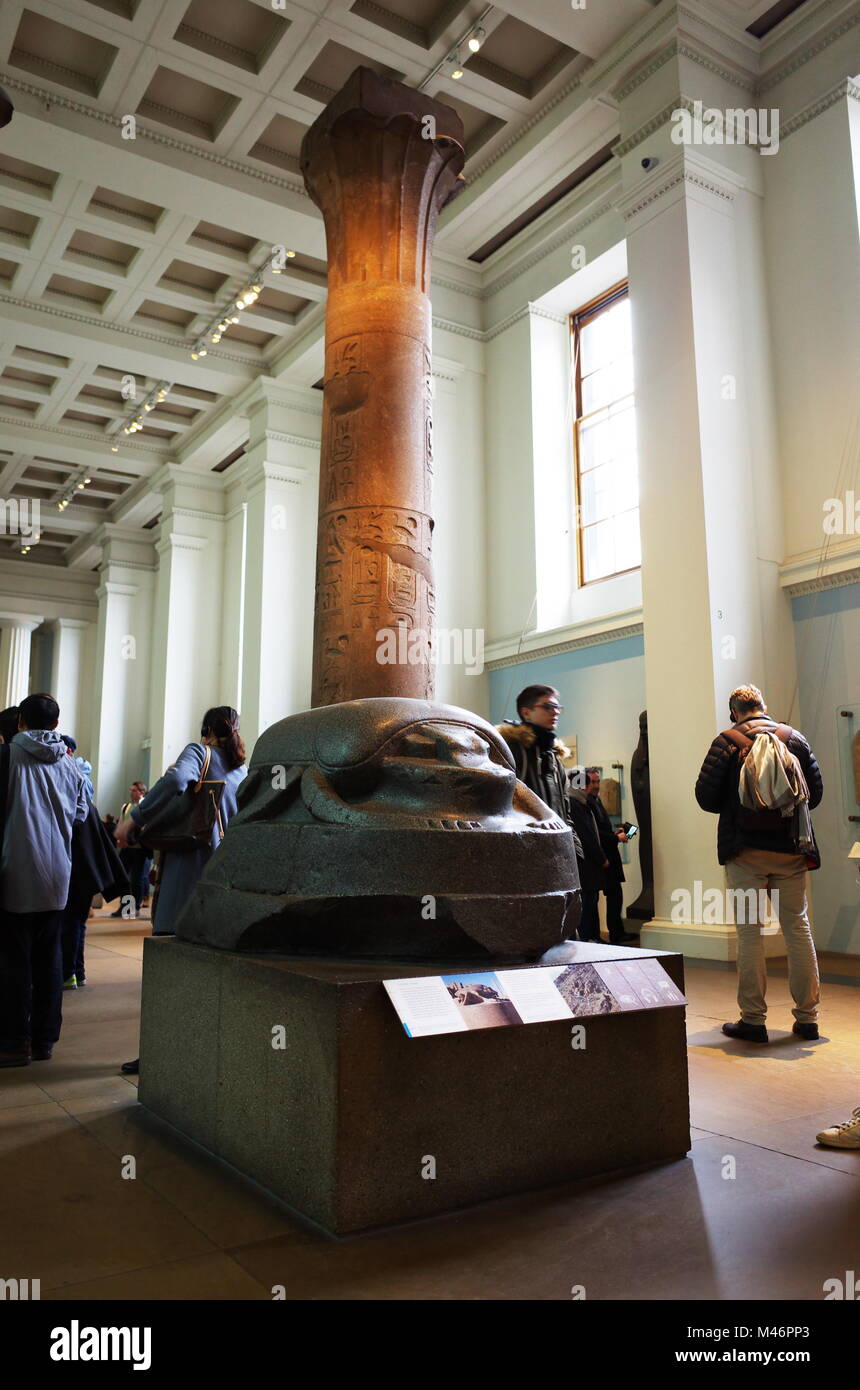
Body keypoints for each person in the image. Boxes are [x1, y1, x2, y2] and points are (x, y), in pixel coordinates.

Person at [115, 706, 247, 1075]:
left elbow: (175, 782)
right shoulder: (242, 768)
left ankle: (160, 1049)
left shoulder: (198, 752)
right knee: (207, 969)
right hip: (223, 877)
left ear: (206, 730)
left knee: (169, 963)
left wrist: (134, 818)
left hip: (188, 867)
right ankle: (200, 1052)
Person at [695, 683, 823, 1045]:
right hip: (791, 850)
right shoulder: (793, 738)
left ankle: (753, 1020)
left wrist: (741, 801)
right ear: (764, 707)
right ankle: (808, 1018)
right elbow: (815, 792)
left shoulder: (727, 741)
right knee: (798, 928)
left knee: (750, 933)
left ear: (734, 712)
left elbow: (705, 796)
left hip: (745, 852)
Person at [0, 693, 89, 1066]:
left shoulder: (7, 757)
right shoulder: (71, 766)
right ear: (55, 725)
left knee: (13, 961)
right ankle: (44, 1040)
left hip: (15, 870)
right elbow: (81, 815)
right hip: (57, 874)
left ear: (20, 721)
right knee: (50, 959)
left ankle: (14, 1041)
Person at [497, 685, 572, 823]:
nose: (555, 712)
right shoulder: (511, 751)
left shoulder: (553, 757)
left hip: (557, 841)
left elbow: (565, 816)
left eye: (557, 707)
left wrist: (574, 844)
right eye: (548, 707)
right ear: (526, 713)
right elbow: (500, 808)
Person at [585, 767, 637, 944]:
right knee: (599, 897)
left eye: (598, 781)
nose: (596, 785)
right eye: (593, 782)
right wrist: (616, 837)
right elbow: (593, 833)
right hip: (601, 857)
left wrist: (616, 833)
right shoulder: (587, 803)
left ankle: (615, 932)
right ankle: (605, 934)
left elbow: (599, 830)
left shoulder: (594, 801)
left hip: (607, 855)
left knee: (614, 894)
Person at [568, 775, 609, 942]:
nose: (594, 786)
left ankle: (591, 937)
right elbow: (586, 836)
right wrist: (601, 858)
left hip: (589, 866)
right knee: (586, 904)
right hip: (586, 866)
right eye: (590, 783)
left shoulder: (584, 804)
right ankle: (585, 940)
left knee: (592, 901)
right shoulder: (576, 805)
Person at [111, 782, 151, 918]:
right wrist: (120, 839)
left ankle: (135, 907)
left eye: (134, 790)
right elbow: (121, 824)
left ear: (141, 792)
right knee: (122, 877)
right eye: (131, 790)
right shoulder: (126, 807)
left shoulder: (147, 805)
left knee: (137, 879)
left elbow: (147, 827)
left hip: (140, 849)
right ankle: (124, 906)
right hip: (126, 848)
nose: (131, 793)